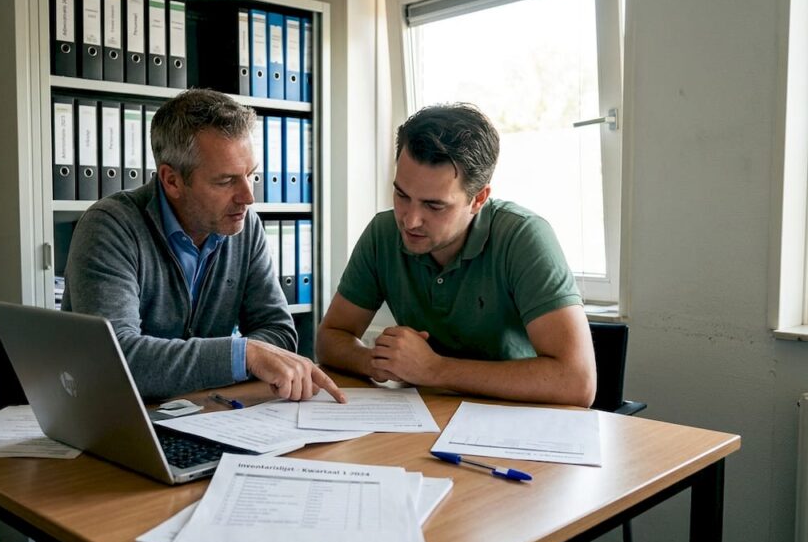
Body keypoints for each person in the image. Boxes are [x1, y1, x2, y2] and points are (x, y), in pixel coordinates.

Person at [62, 88, 344, 404]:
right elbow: (117, 359)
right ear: (172, 181)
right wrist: (242, 355)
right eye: (225, 181)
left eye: (251, 174)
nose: (248, 197)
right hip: (117, 420)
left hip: (203, 414)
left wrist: (244, 356)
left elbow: (277, 332)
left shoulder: (244, 224)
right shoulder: (110, 226)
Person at [316, 103, 596, 407]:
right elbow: (331, 336)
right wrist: (375, 361)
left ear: (478, 199)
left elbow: (577, 382)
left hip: (515, 424)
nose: (410, 220)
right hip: (422, 418)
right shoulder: (383, 233)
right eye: (401, 195)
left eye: (434, 206)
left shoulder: (524, 237)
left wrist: (434, 369)